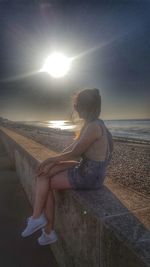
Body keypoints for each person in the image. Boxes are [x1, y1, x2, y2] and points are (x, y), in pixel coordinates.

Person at [21, 88, 113, 245]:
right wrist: (52, 161)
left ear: (85, 106)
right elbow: (73, 149)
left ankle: (43, 225)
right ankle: (40, 222)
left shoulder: (93, 127)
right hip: (87, 168)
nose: (75, 108)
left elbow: (75, 152)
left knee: (46, 180)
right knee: (45, 173)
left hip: (89, 176)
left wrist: (52, 159)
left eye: (76, 105)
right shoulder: (92, 124)